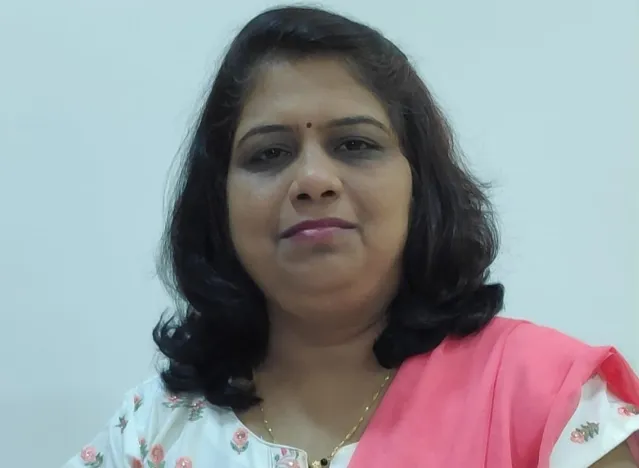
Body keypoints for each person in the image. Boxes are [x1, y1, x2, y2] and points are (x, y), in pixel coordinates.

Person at [61, 6, 639, 468]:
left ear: (420, 184)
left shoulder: (548, 401)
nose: (314, 180)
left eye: (355, 145)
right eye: (269, 154)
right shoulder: (151, 433)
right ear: (219, 205)